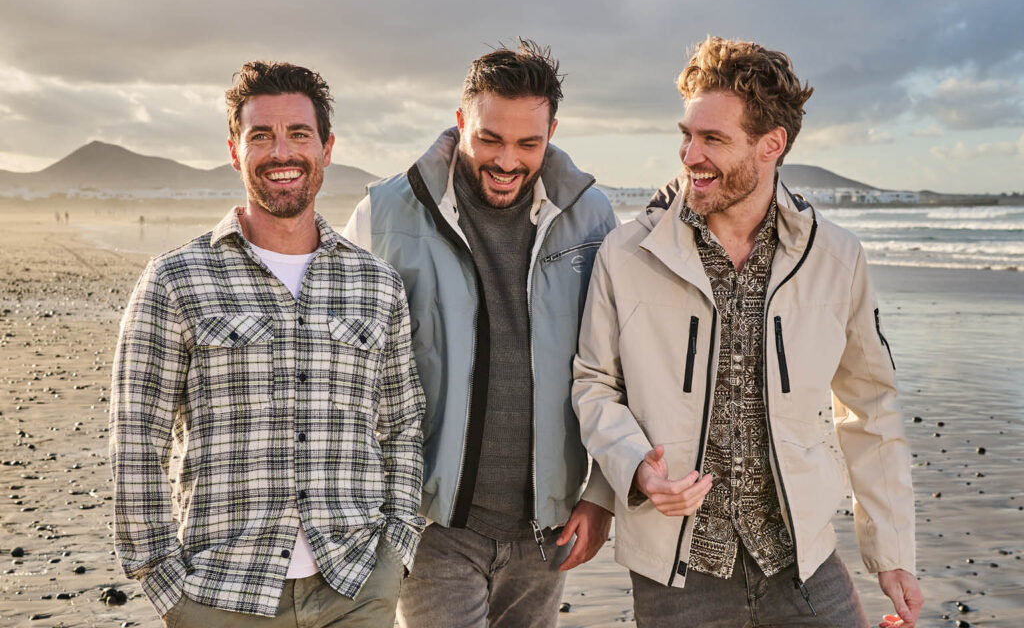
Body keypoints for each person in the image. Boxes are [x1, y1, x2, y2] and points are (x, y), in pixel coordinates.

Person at [572, 37, 923, 628]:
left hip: (803, 560)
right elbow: (594, 384)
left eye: (713, 139)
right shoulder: (628, 253)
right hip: (679, 569)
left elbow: (870, 407)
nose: (689, 154)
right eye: (687, 134)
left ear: (771, 146)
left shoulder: (835, 258)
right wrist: (638, 467)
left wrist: (892, 556)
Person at [110, 61, 425, 627]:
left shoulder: (376, 284)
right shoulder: (176, 279)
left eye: (299, 134)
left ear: (326, 148)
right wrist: (163, 581)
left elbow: (401, 425)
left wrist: (396, 547)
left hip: (355, 585)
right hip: (220, 594)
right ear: (236, 151)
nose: (282, 152)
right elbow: (136, 439)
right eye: (262, 135)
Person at [343, 39, 616, 627]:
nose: (508, 160)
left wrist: (600, 494)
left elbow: (617, 364)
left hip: (546, 528)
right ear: (461, 119)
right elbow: (342, 374)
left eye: (528, 143)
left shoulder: (592, 217)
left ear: (553, 130)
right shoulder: (385, 214)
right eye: (490, 138)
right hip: (431, 526)